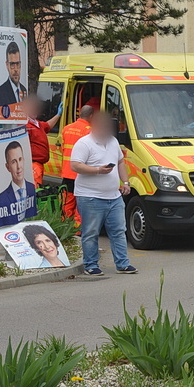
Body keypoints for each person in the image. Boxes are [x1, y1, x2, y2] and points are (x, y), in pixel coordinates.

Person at [70, 108, 136, 276]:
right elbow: (75, 165)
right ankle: (91, 264)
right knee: (91, 232)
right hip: (90, 197)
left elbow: (120, 162)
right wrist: (98, 170)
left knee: (119, 231)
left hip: (114, 196)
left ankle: (122, 264)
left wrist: (125, 182)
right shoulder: (84, 143)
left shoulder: (113, 141)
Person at [59, 101, 96, 225]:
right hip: (81, 174)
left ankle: (64, 226)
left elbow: (62, 149)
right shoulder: (90, 131)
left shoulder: (66, 129)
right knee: (81, 204)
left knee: (67, 203)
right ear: (91, 116)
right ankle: (77, 230)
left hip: (67, 172)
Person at [0, 140, 37, 225]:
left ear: (24, 160)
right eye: (13, 162)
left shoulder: (32, 189)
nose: (19, 166)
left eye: (20, 159)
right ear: (8, 167)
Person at [21, 95, 59, 185]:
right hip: (33, 164)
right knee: (35, 189)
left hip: (39, 164)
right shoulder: (26, 125)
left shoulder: (36, 123)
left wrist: (58, 114)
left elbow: (47, 126)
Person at [0, 41, 28, 120]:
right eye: (12, 65)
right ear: (7, 65)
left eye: (18, 64)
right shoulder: (0, 92)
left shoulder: (24, 90)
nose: (16, 69)